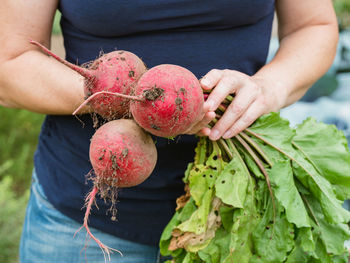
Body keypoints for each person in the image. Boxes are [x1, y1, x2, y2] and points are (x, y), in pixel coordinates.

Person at [0, 0, 338, 262]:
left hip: (238, 219)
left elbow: (314, 26)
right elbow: (10, 63)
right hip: (79, 222)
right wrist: (123, 96)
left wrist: (269, 87)